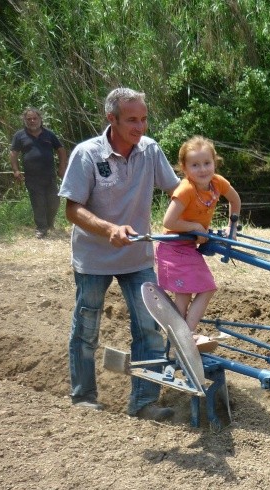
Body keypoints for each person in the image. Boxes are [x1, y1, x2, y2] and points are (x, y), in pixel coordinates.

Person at [59, 87, 181, 421]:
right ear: (111, 119)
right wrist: (108, 229)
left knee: (149, 327)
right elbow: (72, 209)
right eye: (132, 120)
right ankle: (84, 396)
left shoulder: (150, 151)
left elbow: (177, 191)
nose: (140, 126)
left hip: (137, 257)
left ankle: (143, 402)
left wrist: (204, 196)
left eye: (143, 119)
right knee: (86, 327)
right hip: (94, 258)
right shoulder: (87, 155)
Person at [155, 136, 241, 350]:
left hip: (188, 247)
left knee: (200, 290)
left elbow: (235, 200)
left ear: (214, 162)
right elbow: (169, 221)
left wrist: (232, 227)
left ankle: (181, 338)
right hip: (173, 248)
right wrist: (195, 228)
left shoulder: (217, 183)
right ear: (184, 168)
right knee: (194, 292)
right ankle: (184, 338)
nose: (202, 169)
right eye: (195, 165)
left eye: (207, 163)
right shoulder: (186, 190)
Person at [10, 107, 68, 238]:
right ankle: (41, 228)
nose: (32, 121)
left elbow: (61, 150)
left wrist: (62, 167)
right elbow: (13, 154)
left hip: (50, 176)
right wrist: (16, 170)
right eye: (29, 119)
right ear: (25, 120)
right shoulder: (20, 136)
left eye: (35, 118)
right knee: (38, 203)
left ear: (40, 119)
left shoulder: (49, 134)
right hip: (32, 177)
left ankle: (49, 223)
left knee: (54, 201)